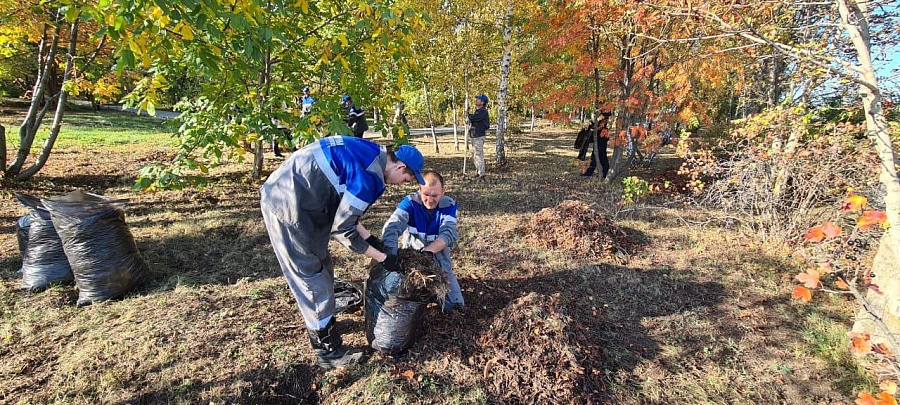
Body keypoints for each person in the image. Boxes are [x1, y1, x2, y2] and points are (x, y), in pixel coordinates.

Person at [259, 135, 426, 369]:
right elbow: (343, 231)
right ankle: (327, 351)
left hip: (304, 197)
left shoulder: (372, 152)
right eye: (406, 178)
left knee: (323, 266)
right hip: (287, 203)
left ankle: (323, 322)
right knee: (310, 275)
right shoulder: (370, 178)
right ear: (399, 166)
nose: (402, 184)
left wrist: (370, 239)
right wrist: (382, 257)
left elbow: (343, 204)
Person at [381, 170, 464, 312]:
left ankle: (435, 295)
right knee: (399, 309)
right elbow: (391, 228)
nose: (430, 200)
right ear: (419, 189)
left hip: (439, 267)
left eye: (434, 195)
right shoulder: (409, 203)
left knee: (455, 307)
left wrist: (428, 252)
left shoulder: (449, 205)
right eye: (425, 194)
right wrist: (391, 255)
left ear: (443, 191)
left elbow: (449, 234)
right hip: (411, 268)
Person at [581, 109, 612, 178]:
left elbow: (600, 123)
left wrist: (593, 123)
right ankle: (591, 171)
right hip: (599, 136)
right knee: (596, 154)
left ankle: (603, 172)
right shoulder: (601, 112)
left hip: (602, 137)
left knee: (601, 154)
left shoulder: (606, 112)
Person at [467, 94, 490, 180]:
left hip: (479, 136)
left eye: (478, 99)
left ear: (482, 102)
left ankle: (482, 174)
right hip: (474, 135)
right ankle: (478, 171)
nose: (476, 100)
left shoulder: (483, 112)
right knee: (475, 155)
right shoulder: (478, 111)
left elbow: (474, 118)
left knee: (478, 154)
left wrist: (469, 116)